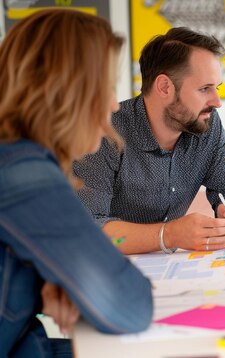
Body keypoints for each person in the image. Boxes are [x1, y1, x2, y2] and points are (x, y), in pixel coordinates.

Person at [0, 9, 152, 357]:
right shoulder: (23, 172)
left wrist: (55, 280)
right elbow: (129, 304)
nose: (114, 104)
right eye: (107, 87)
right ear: (68, 90)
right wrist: (75, 280)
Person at [73, 27, 225, 255]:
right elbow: (88, 229)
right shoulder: (105, 133)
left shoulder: (207, 124)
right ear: (165, 87)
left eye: (216, 88)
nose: (217, 102)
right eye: (205, 89)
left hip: (175, 272)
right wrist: (169, 235)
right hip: (111, 268)